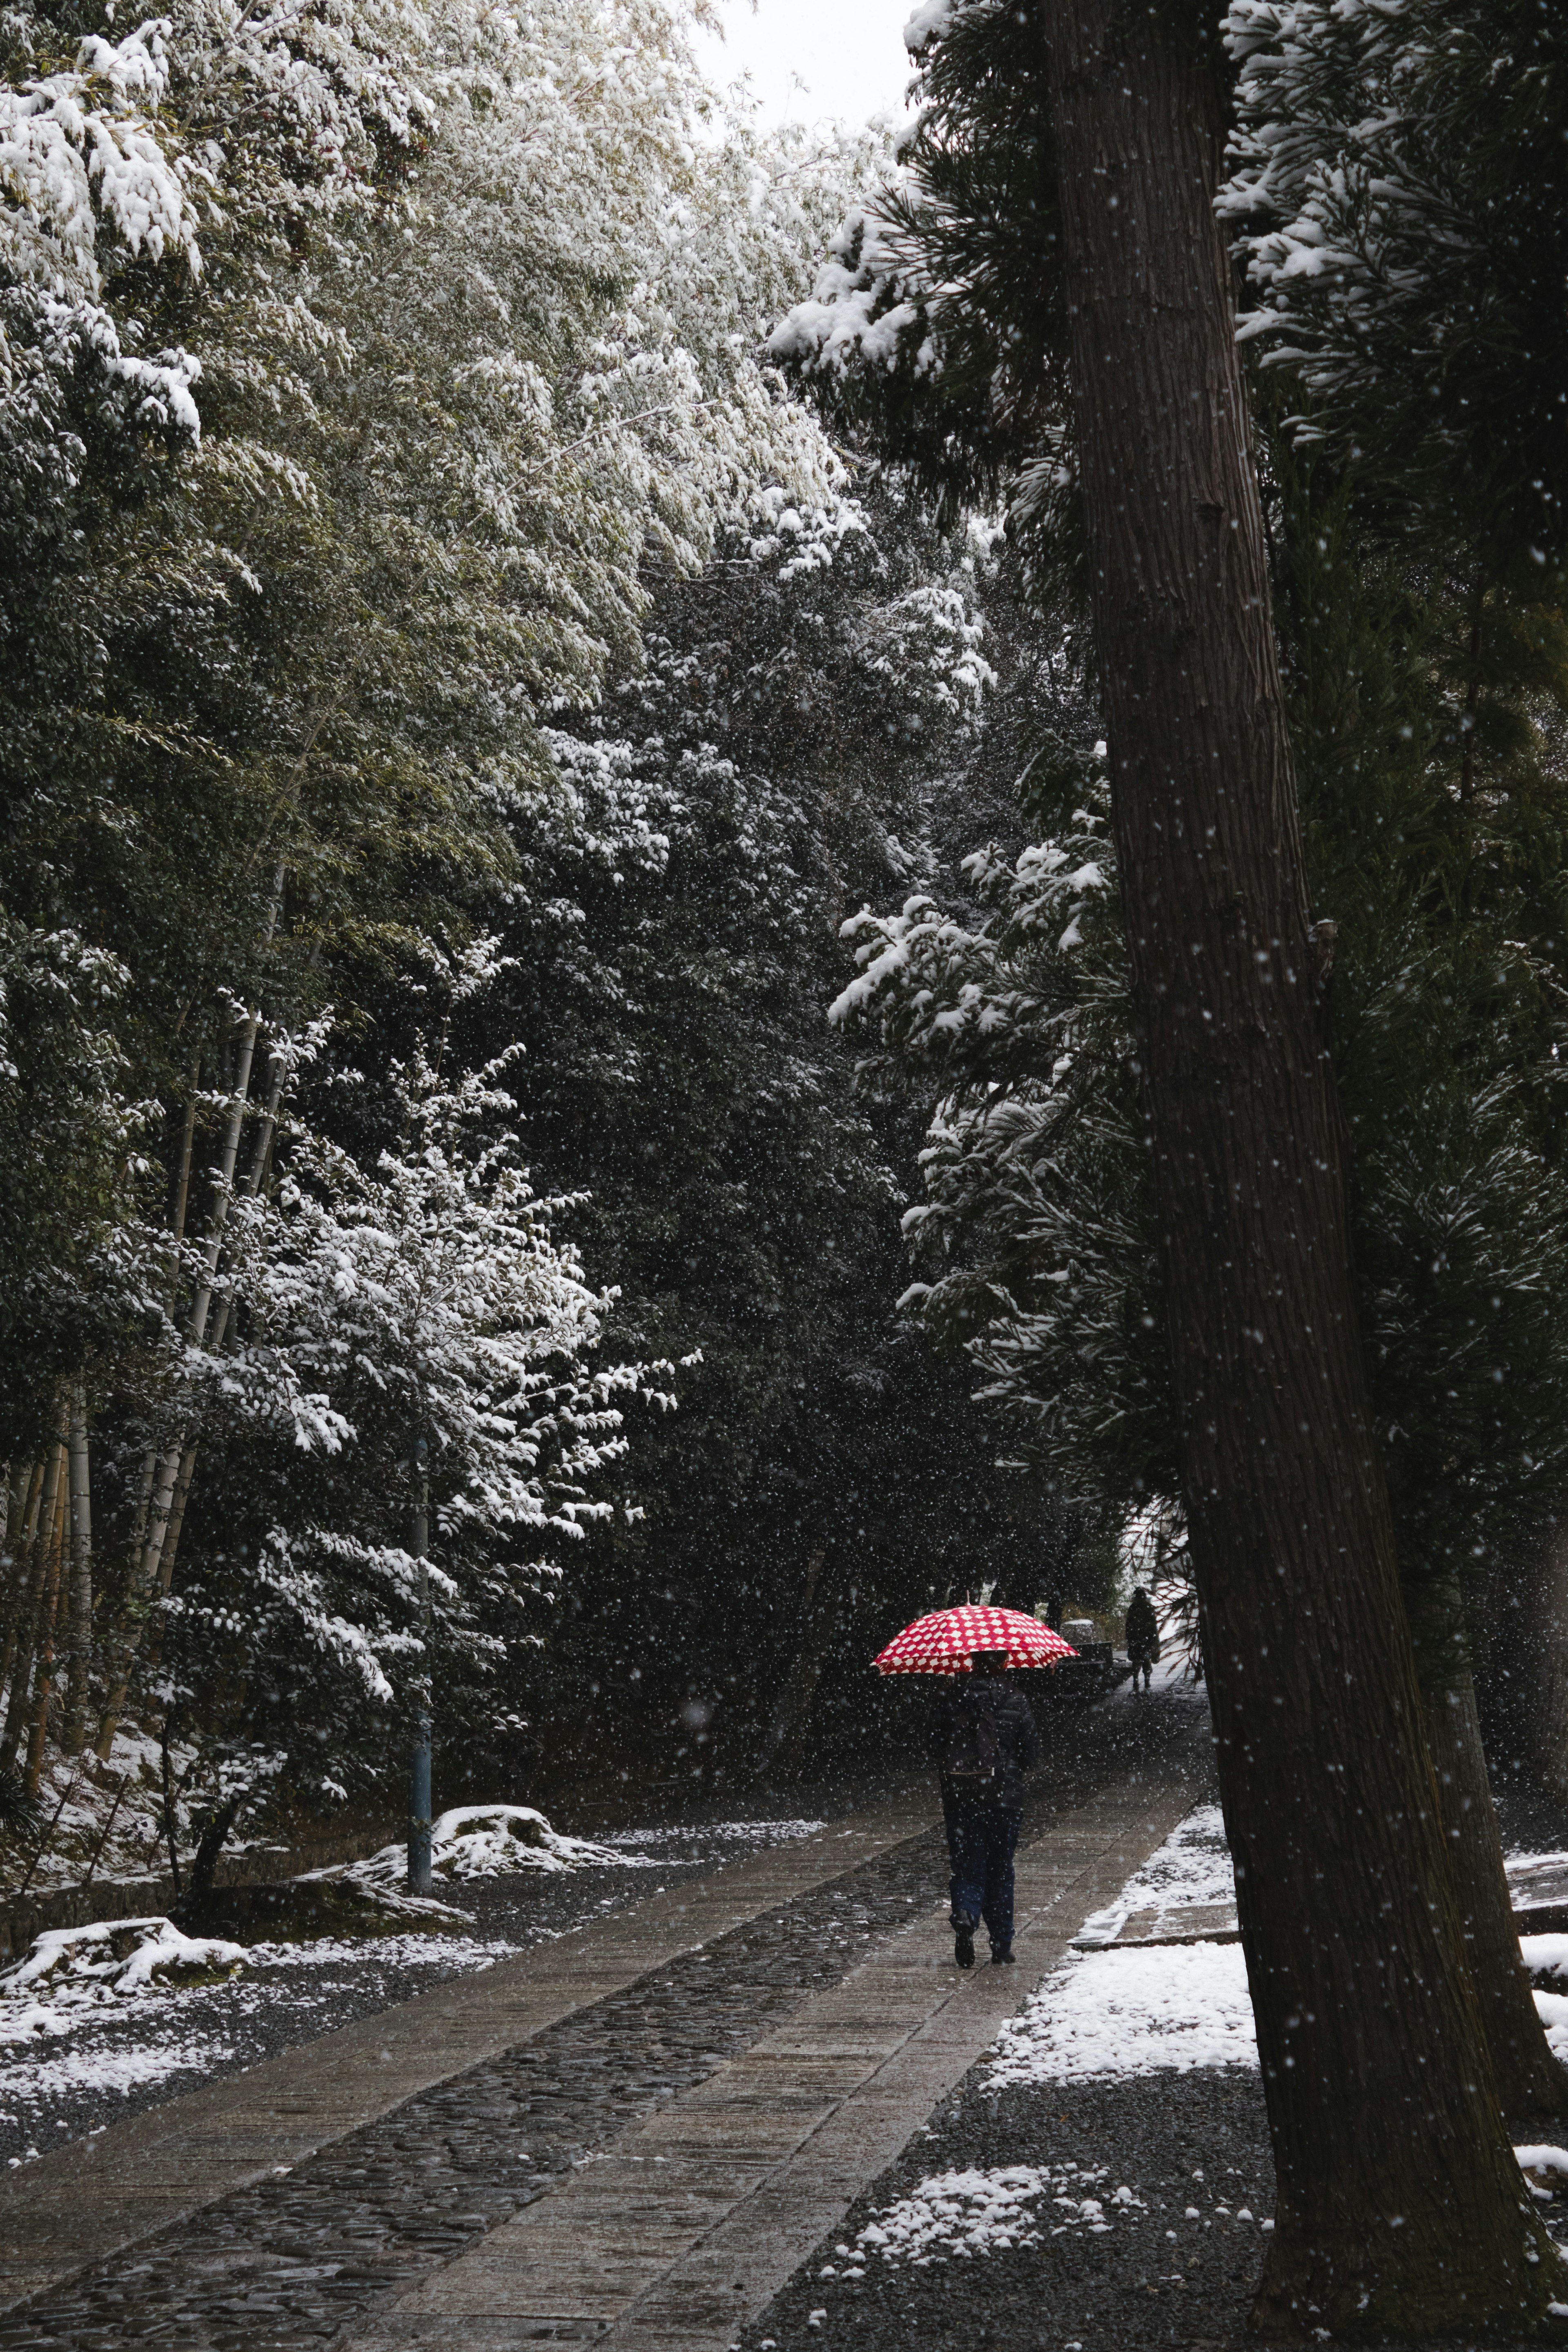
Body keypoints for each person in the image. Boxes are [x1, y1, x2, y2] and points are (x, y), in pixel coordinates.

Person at [932, 1648, 1038, 1969]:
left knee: (967, 1866)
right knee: (1001, 1870)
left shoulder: (950, 1697)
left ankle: (965, 1913)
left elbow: (933, 1745)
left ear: (972, 1661)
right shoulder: (1017, 1698)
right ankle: (1001, 1945)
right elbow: (1031, 1754)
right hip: (1005, 1800)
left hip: (962, 1798)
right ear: (1005, 1662)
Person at [1125, 1586, 1160, 1693]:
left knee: (1137, 1662)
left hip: (1136, 1639)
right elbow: (1153, 1626)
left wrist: (1130, 1637)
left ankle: (1136, 1682)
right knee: (1146, 1661)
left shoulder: (1133, 1608)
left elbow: (1128, 1625)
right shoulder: (1149, 1608)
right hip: (1146, 1639)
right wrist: (1154, 1638)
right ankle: (1146, 1681)